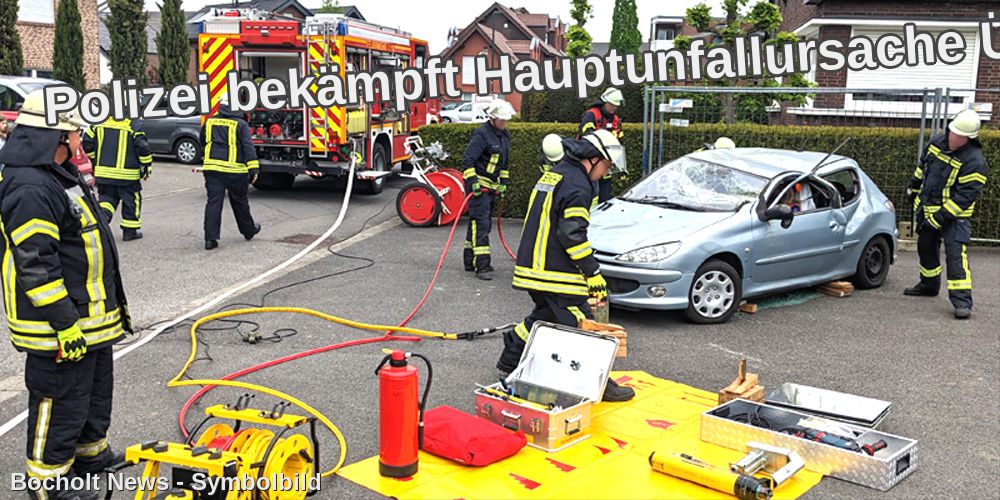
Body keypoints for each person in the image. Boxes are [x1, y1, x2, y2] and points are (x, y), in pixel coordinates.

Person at [0, 89, 133, 500]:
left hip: (89, 319)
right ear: (55, 138)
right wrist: (64, 322)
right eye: (75, 133)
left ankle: (89, 455)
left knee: (92, 393)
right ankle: (47, 483)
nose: (81, 140)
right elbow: (36, 264)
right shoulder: (30, 188)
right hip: (60, 324)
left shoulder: (59, 175)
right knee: (59, 400)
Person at [499, 129, 635, 402]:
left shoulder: (558, 173)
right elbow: (571, 233)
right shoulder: (578, 184)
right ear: (593, 159)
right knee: (583, 323)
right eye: (606, 166)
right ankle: (598, 382)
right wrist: (592, 271)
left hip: (534, 267)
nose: (605, 173)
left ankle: (510, 358)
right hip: (554, 272)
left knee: (545, 315)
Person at [904, 109, 989, 320]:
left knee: (955, 257)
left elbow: (963, 198)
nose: (953, 137)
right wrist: (913, 188)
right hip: (928, 210)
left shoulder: (975, 162)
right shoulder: (936, 143)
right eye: (952, 132)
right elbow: (922, 167)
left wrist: (939, 219)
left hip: (955, 219)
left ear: (969, 138)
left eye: (959, 135)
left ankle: (962, 302)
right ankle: (929, 285)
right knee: (926, 250)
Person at [201, 94, 262, 250]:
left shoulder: (210, 121)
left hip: (212, 169)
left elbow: (202, 140)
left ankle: (210, 239)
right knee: (240, 202)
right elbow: (248, 146)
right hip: (235, 171)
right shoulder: (240, 124)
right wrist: (253, 168)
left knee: (214, 202)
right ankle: (248, 231)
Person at [462, 100, 513, 280]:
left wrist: (504, 182)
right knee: (481, 224)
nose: (504, 123)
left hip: (491, 186)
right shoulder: (482, 134)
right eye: (501, 120)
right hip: (479, 187)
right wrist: (474, 181)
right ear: (492, 118)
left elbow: (504, 162)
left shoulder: (504, 135)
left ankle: (469, 260)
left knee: (476, 223)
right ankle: (481, 266)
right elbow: (468, 160)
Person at [83, 117, 153, 241]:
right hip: (128, 175)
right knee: (131, 200)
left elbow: (87, 142)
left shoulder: (99, 122)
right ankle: (129, 232)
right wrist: (146, 166)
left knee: (107, 200)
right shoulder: (133, 124)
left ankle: (101, 224)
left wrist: (95, 160)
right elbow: (142, 146)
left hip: (104, 173)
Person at [579, 87, 624, 203]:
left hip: (606, 164)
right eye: (612, 105)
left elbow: (620, 141)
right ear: (605, 102)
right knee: (588, 193)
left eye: (615, 106)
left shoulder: (615, 120)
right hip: (590, 163)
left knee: (605, 195)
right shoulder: (591, 115)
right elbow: (586, 137)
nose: (614, 108)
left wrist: (617, 161)